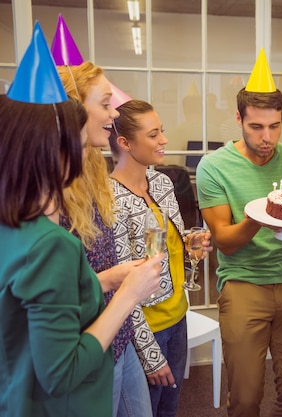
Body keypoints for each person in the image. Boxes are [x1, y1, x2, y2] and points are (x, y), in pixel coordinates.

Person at [0, 23, 162, 417]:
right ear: (55, 147)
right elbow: (62, 372)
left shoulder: (13, 224)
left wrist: (106, 279)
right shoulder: (51, 241)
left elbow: (38, 302)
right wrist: (129, 294)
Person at [195, 49, 282, 417]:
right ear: (238, 119)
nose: (267, 137)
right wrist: (263, 213)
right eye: (256, 127)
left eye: (275, 126)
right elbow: (225, 242)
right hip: (243, 281)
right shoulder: (214, 167)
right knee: (246, 397)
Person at [57, 61, 171, 417]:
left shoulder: (91, 170)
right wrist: (124, 290)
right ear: (73, 109)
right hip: (85, 345)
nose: (113, 114)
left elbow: (86, 274)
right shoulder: (48, 197)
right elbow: (55, 295)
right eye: (105, 104)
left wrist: (112, 277)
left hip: (117, 338)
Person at [108, 99, 211, 417]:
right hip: (145, 330)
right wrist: (150, 354)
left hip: (178, 316)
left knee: (170, 408)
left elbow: (168, 250)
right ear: (125, 143)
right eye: (154, 134)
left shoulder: (162, 183)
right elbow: (124, 286)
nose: (164, 140)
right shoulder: (111, 199)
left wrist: (191, 248)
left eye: (161, 131)